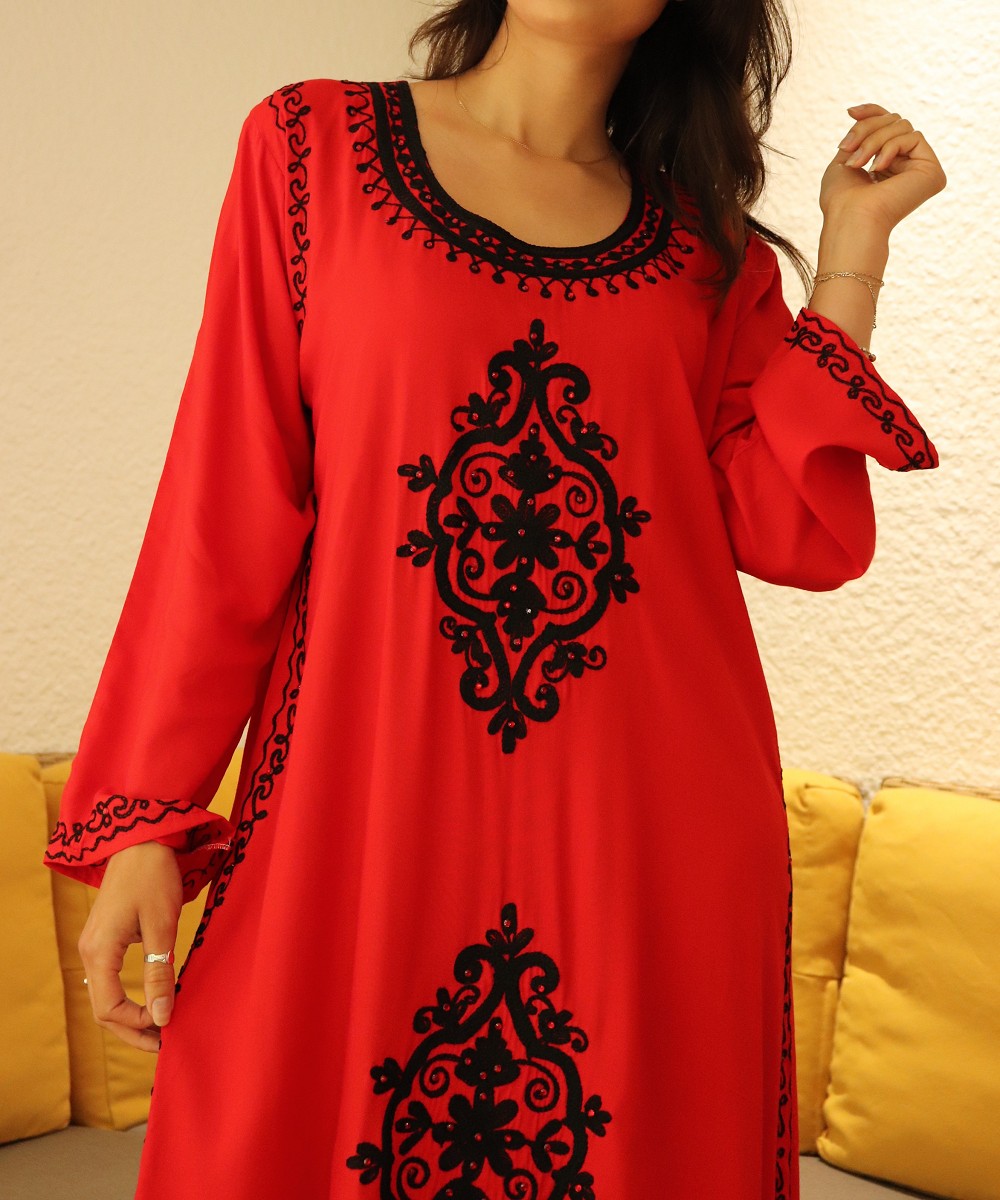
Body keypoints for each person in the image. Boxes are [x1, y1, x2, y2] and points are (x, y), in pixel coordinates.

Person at [43, 1, 946, 1196]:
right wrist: (147, 820)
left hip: (646, 828)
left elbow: (788, 528)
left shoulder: (703, 250)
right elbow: (226, 505)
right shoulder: (312, 150)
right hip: (359, 801)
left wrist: (851, 248)